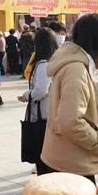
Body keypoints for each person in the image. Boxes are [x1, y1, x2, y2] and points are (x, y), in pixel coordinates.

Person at [40, 13, 98, 183]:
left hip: (62, 156)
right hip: (71, 164)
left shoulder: (74, 62)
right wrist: (97, 140)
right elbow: (70, 122)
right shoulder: (77, 71)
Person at [18, 28, 58, 171]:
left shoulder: (43, 64)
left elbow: (40, 91)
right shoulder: (54, 62)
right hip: (50, 114)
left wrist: (26, 95)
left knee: (43, 158)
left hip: (43, 117)